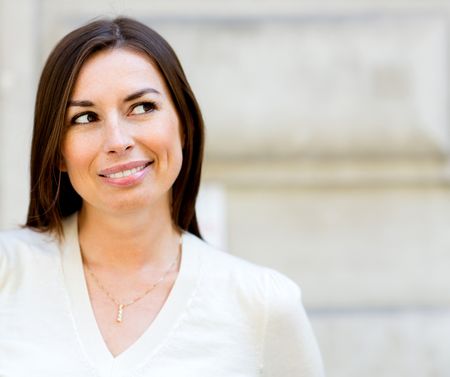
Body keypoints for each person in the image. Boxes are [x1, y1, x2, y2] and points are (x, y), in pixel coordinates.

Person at [0, 16, 324, 376]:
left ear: (184, 125)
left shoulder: (263, 303)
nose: (117, 141)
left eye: (142, 108)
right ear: (58, 151)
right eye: (85, 117)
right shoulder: (8, 275)